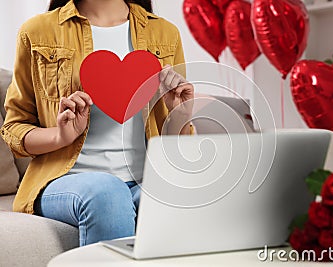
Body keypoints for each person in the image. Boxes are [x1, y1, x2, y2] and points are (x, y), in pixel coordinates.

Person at [1, 0, 194, 246]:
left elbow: (176, 144)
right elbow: (15, 129)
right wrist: (61, 136)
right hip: (63, 180)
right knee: (107, 191)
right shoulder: (37, 31)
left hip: (144, 178)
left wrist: (181, 113)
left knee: (181, 196)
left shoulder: (164, 33)